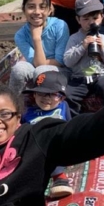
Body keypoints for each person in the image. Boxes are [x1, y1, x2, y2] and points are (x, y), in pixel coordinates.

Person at [20, 70, 74, 199]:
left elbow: (70, 127)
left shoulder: (64, 107)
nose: (47, 98)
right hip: (33, 147)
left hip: (56, 147)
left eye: (53, 95)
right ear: (34, 94)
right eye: (42, 93)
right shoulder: (26, 111)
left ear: (62, 97)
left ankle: (59, 177)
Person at [9, 0, 70, 94]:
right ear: (24, 9)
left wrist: (37, 38)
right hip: (35, 67)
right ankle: (14, 102)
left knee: (41, 71)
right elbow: (35, 62)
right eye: (31, 7)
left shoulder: (60, 26)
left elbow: (59, 61)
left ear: (50, 9)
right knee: (18, 69)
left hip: (61, 71)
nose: (37, 12)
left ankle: (48, 103)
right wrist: (35, 38)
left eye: (42, 7)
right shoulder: (20, 35)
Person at [63, 0, 104, 115]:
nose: (91, 22)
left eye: (95, 18)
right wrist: (82, 46)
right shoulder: (74, 38)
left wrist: (103, 49)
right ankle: (74, 123)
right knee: (69, 96)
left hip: (99, 75)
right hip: (80, 77)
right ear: (78, 20)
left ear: (102, 17)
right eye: (86, 19)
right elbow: (67, 61)